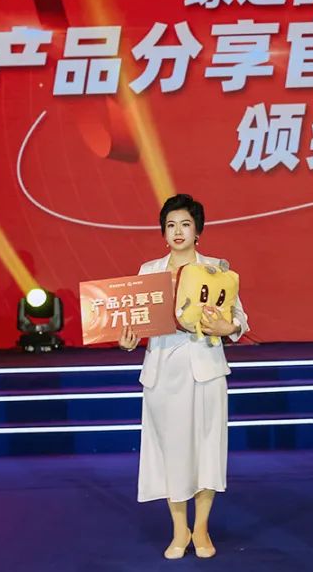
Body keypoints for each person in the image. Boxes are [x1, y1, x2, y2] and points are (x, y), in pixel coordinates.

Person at [118, 194, 248, 560]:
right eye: (171, 225)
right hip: (163, 371)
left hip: (205, 368)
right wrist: (128, 341)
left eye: (185, 225)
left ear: (197, 231)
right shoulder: (149, 271)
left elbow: (240, 318)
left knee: (207, 449)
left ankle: (202, 528)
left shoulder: (217, 269)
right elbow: (135, 322)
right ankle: (180, 529)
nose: (178, 232)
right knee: (172, 451)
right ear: (163, 232)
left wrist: (229, 327)